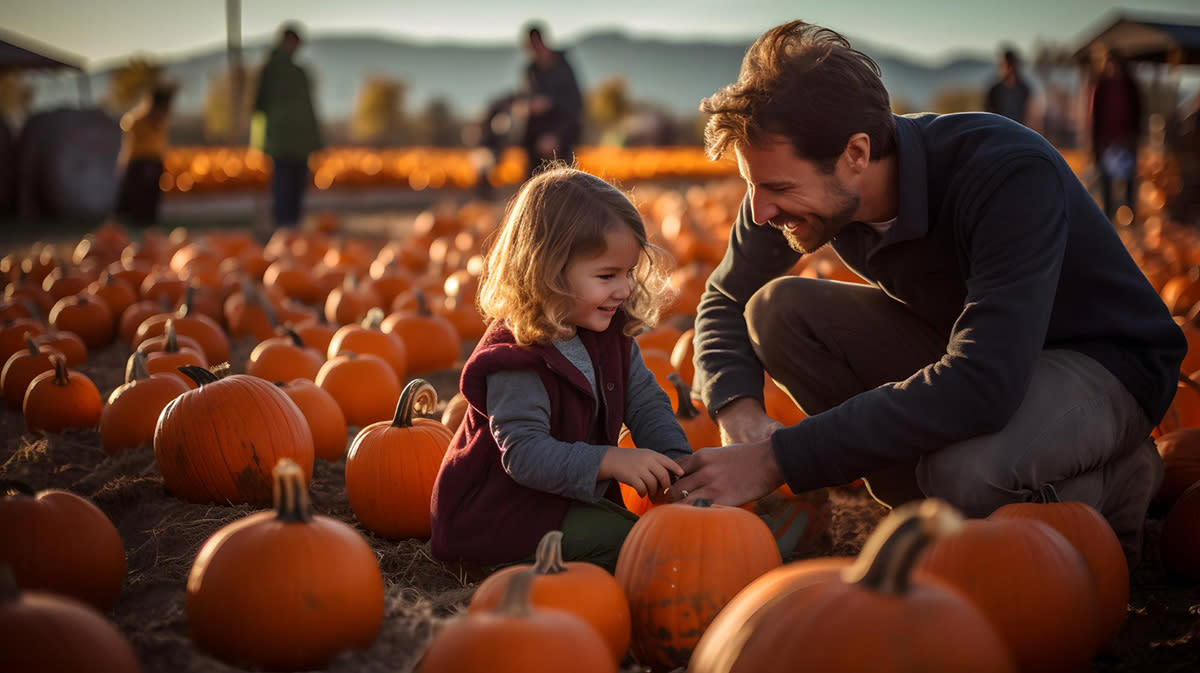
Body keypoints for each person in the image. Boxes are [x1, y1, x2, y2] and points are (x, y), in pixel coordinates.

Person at [669, 20, 1186, 567]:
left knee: (962, 475)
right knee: (775, 313)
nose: (759, 210)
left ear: (856, 154)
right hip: (975, 352)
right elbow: (725, 298)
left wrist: (777, 459)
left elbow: (983, 384)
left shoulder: (1004, 173)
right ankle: (930, 511)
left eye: (776, 188)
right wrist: (738, 411)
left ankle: (1115, 485)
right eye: (753, 184)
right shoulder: (795, 189)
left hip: (1101, 361)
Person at [429, 167, 688, 572]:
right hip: (500, 520)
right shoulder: (516, 358)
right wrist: (610, 461)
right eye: (607, 276)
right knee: (639, 544)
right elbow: (525, 455)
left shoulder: (609, 333)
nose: (622, 289)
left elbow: (646, 401)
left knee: (655, 531)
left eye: (628, 273)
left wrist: (679, 464)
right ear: (548, 272)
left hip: (558, 504)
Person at [252, 22, 323, 232]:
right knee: (285, 183)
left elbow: (309, 108)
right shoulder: (272, 71)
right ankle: (285, 227)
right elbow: (259, 105)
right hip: (284, 138)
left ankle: (290, 227)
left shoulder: (296, 72)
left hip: (294, 138)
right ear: (285, 41)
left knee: (294, 184)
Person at [517, 23, 583, 179]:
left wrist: (555, 135)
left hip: (561, 136)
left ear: (540, 42)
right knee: (534, 183)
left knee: (563, 182)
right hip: (534, 139)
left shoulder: (563, 67)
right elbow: (523, 97)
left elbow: (574, 104)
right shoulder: (531, 70)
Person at [1088, 48, 1143, 220]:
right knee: (1106, 182)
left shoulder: (1131, 86)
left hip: (1126, 141)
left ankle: (1129, 216)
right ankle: (1108, 217)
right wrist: (1095, 143)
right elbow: (1094, 117)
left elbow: (1138, 111)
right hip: (1106, 143)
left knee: (1128, 181)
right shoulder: (1101, 87)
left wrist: (1133, 136)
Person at [114, 84, 175, 226]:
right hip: (140, 162)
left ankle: (148, 222)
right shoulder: (137, 121)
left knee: (151, 195)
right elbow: (132, 141)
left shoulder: (160, 123)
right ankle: (135, 220)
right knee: (138, 193)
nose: (166, 112)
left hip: (155, 161)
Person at [984, 47, 1034, 126]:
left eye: (1012, 65)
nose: (1010, 69)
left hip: (1020, 131)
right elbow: (988, 115)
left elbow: (1030, 115)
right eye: (1007, 65)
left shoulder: (1024, 89)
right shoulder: (994, 90)